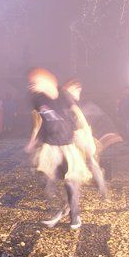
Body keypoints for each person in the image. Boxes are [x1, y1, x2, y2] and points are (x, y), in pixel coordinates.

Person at [26, 68, 91, 230]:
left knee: (71, 180)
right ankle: (59, 210)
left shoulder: (63, 95)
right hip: (50, 146)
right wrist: (33, 139)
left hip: (67, 145)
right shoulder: (38, 99)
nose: (32, 86)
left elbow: (78, 113)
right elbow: (39, 120)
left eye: (36, 82)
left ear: (47, 81)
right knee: (49, 181)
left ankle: (74, 214)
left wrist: (87, 133)